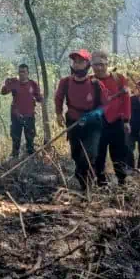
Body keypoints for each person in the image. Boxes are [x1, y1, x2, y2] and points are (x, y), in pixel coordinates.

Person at [54, 49, 108, 191]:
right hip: (73, 122)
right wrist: (59, 114)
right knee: (76, 156)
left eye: (81, 62)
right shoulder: (65, 82)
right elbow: (58, 98)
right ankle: (85, 185)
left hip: (92, 125)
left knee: (89, 156)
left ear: (87, 64)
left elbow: (105, 105)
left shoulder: (96, 84)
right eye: (75, 62)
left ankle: (88, 185)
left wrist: (96, 113)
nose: (77, 65)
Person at [90, 51, 132, 186]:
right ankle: (101, 184)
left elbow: (126, 100)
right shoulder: (90, 81)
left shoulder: (119, 79)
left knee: (119, 154)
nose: (99, 68)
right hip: (97, 124)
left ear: (107, 64)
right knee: (98, 155)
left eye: (102, 64)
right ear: (92, 65)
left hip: (116, 122)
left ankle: (122, 182)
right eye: (96, 64)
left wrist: (126, 120)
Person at [1, 64, 43, 159]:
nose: (21, 74)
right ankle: (14, 159)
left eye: (24, 71)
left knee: (30, 139)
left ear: (28, 73)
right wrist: (7, 83)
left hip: (29, 115)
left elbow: (38, 97)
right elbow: (3, 92)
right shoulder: (14, 82)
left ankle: (30, 160)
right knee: (16, 140)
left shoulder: (33, 84)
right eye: (20, 71)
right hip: (16, 115)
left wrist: (41, 98)